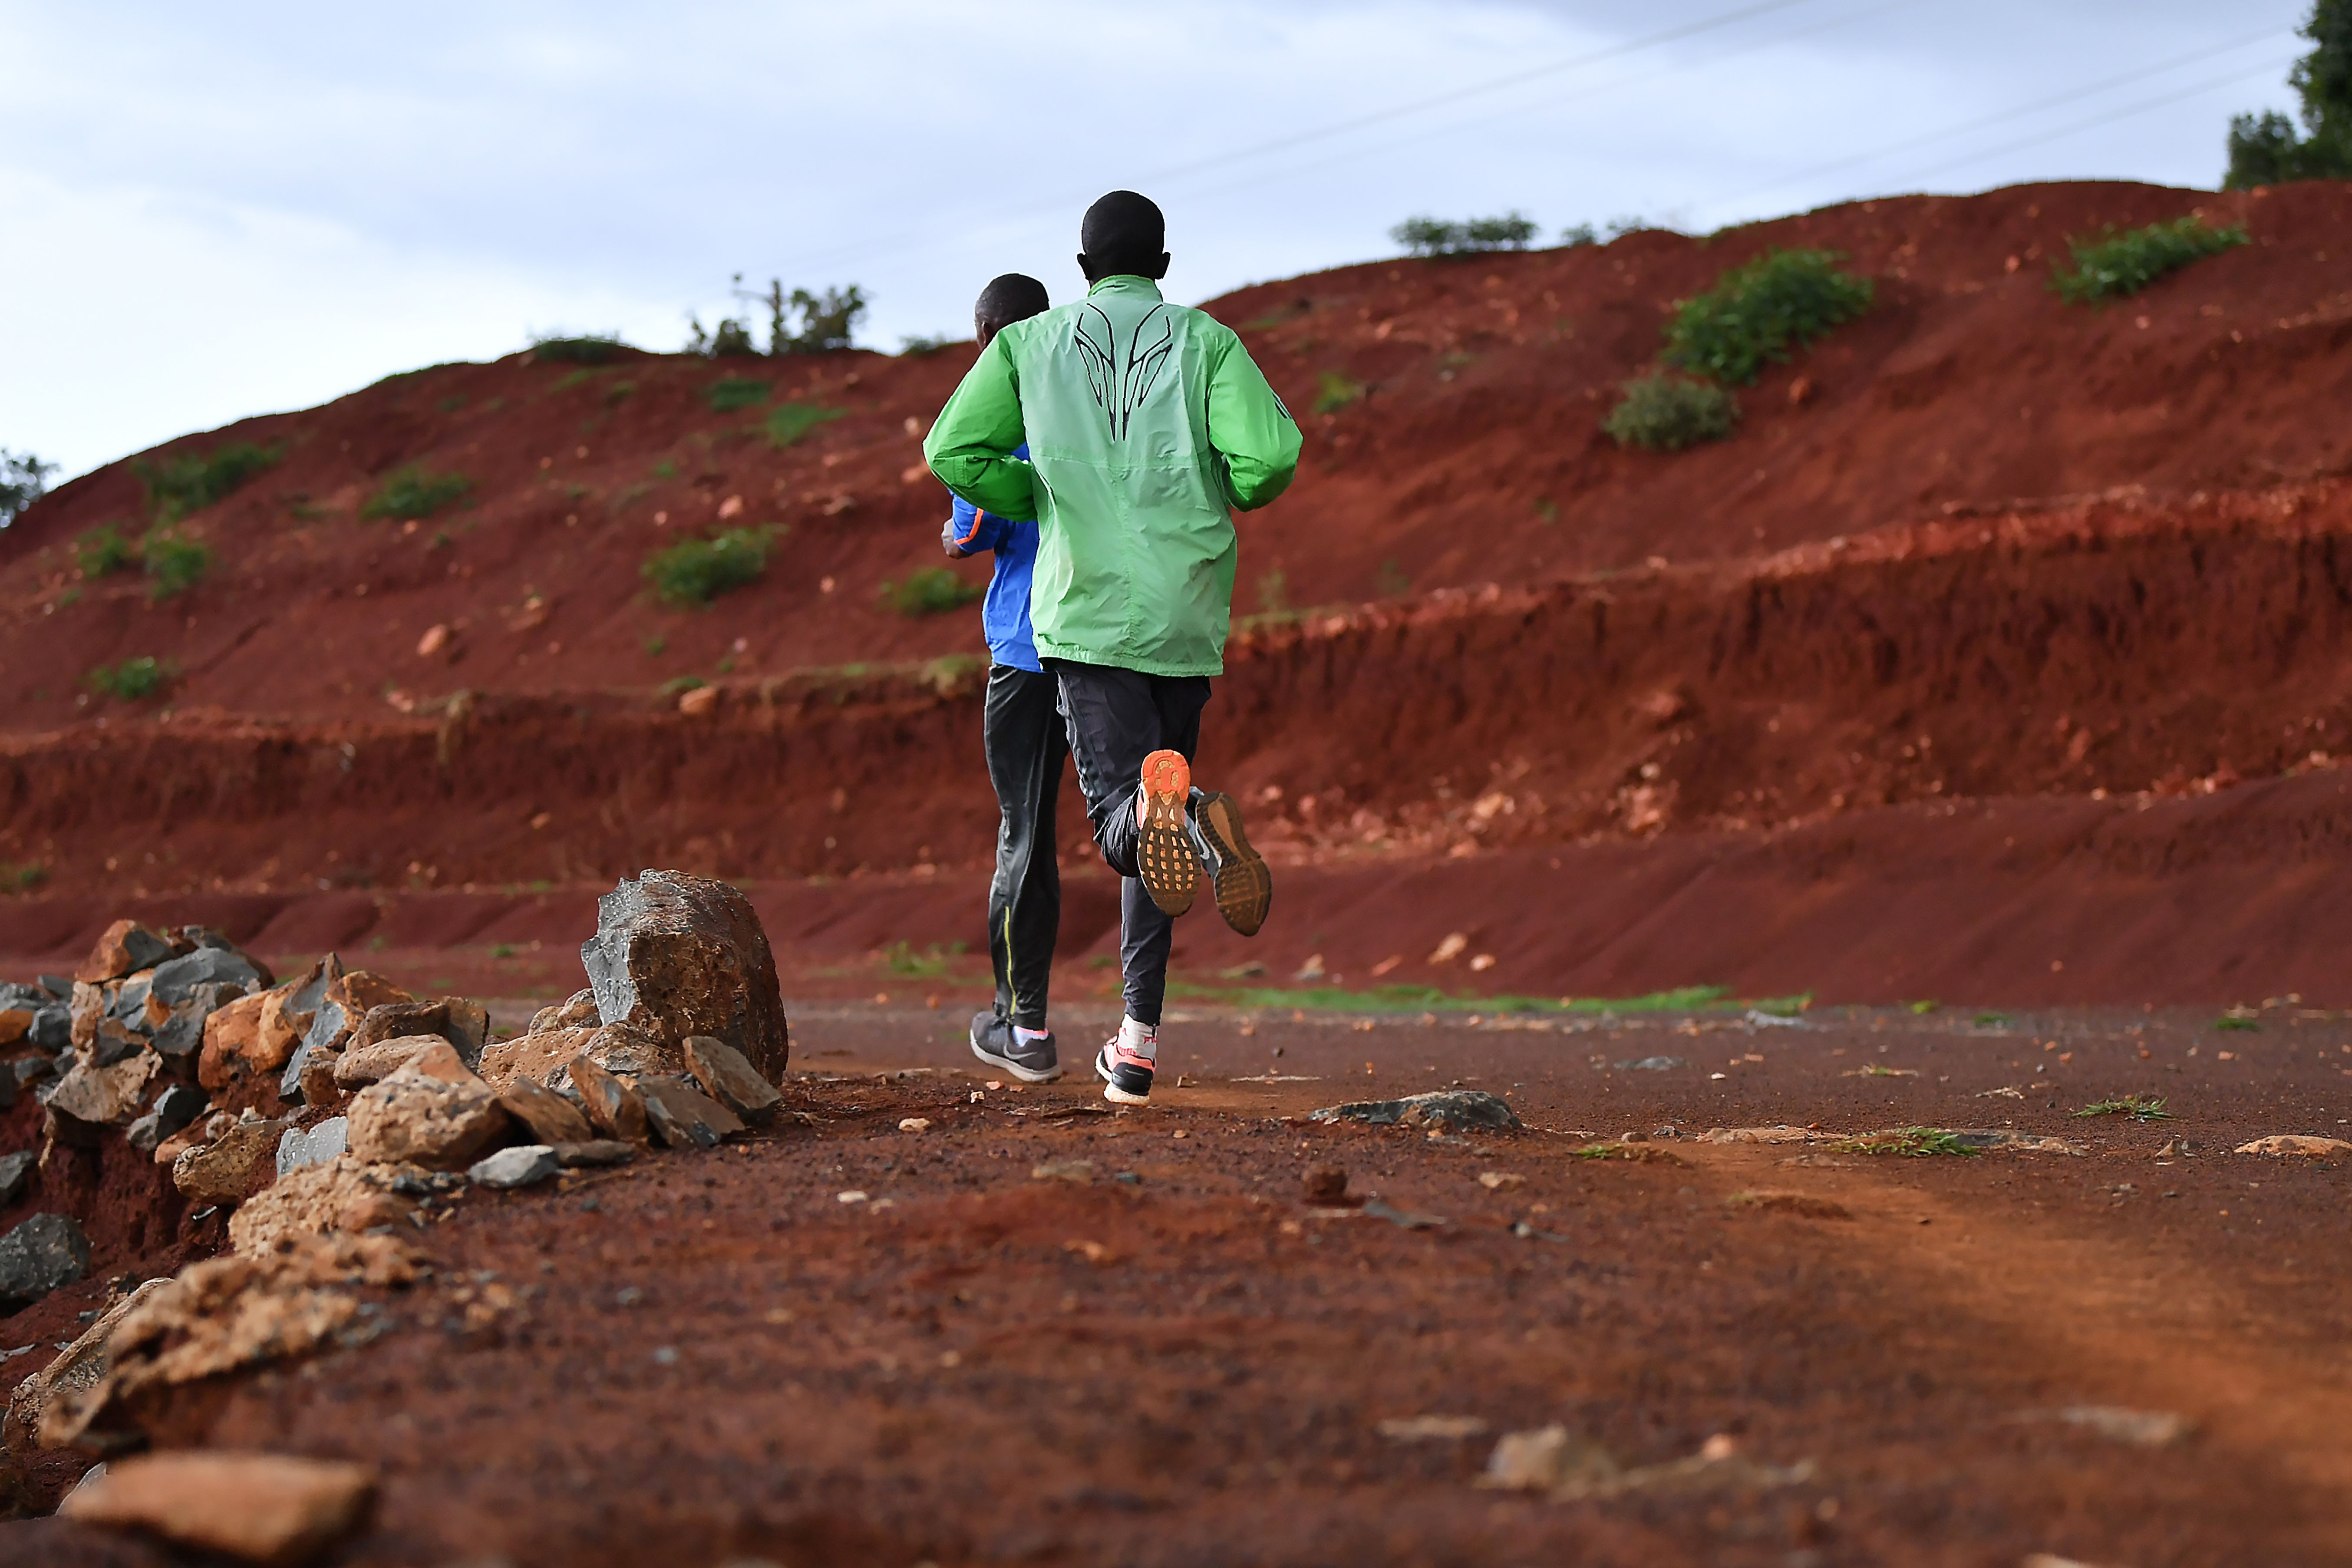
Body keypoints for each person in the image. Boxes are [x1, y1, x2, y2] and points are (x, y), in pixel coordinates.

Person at [924, 191, 1303, 1106]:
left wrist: (1045, 499)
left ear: (1084, 266)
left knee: (1127, 824)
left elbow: (954, 450)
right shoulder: (1209, 342)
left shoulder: (1028, 344)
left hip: (1084, 618)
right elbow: (1272, 459)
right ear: (1162, 266)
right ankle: (1134, 1050)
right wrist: (1215, 488)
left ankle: (1184, 810)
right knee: (1155, 822)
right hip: (1184, 612)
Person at [946, 273, 1067, 1085]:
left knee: (1025, 834)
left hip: (1026, 653)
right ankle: (1140, 1032)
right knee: (1129, 814)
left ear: (988, 335)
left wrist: (956, 531)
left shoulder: (1001, 416)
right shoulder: (1090, 406)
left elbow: (969, 529)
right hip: (1109, 643)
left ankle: (1023, 1032)